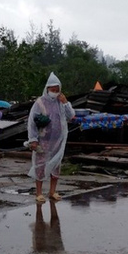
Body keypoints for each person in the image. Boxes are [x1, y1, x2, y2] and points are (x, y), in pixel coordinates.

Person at [26, 72, 75, 203]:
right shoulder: (40, 102)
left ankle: (52, 191)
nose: (55, 92)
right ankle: (39, 193)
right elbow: (32, 122)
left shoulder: (60, 102)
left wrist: (65, 103)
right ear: (47, 89)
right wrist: (33, 140)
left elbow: (71, 116)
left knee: (56, 165)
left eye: (57, 90)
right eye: (52, 90)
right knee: (40, 165)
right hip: (44, 140)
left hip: (58, 141)